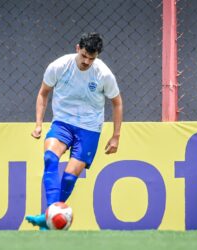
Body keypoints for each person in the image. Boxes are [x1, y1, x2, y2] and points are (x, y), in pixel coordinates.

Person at [25, 32, 123, 230]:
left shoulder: (104, 74)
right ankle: (51, 216)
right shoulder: (59, 66)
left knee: (70, 176)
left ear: (97, 57)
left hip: (89, 128)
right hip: (62, 123)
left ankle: (47, 218)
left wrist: (115, 136)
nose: (86, 61)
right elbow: (43, 94)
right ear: (78, 48)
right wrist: (38, 124)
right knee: (50, 159)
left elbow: (117, 103)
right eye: (84, 55)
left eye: (92, 58)